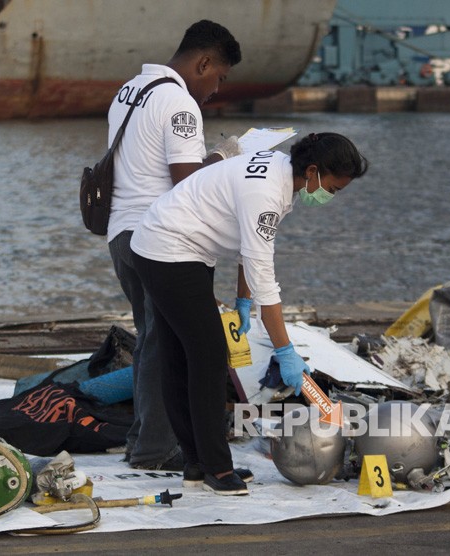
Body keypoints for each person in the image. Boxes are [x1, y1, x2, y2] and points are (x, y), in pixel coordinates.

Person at [130, 132, 368, 494]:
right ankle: (217, 469)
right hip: (169, 250)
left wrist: (242, 301)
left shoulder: (280, 171)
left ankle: (197, 463)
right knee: (208, 359)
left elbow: (250, 247)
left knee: (182, 356)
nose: (329, 197)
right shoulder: (267, 193)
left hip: (179, 247)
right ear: (314, 171)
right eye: (332, 189)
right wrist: (284, 349)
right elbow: (265, 279)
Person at [106, 20, 243, 470]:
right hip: (158, 239)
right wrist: (224, 158)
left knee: (151, 338)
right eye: (218, 76)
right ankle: (155, 449)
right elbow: (187, 184)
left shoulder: (133, 89)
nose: (215, 89)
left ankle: (142, 439)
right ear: (203, 62)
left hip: (121, 233)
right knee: (170, 346)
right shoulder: (179, 102)